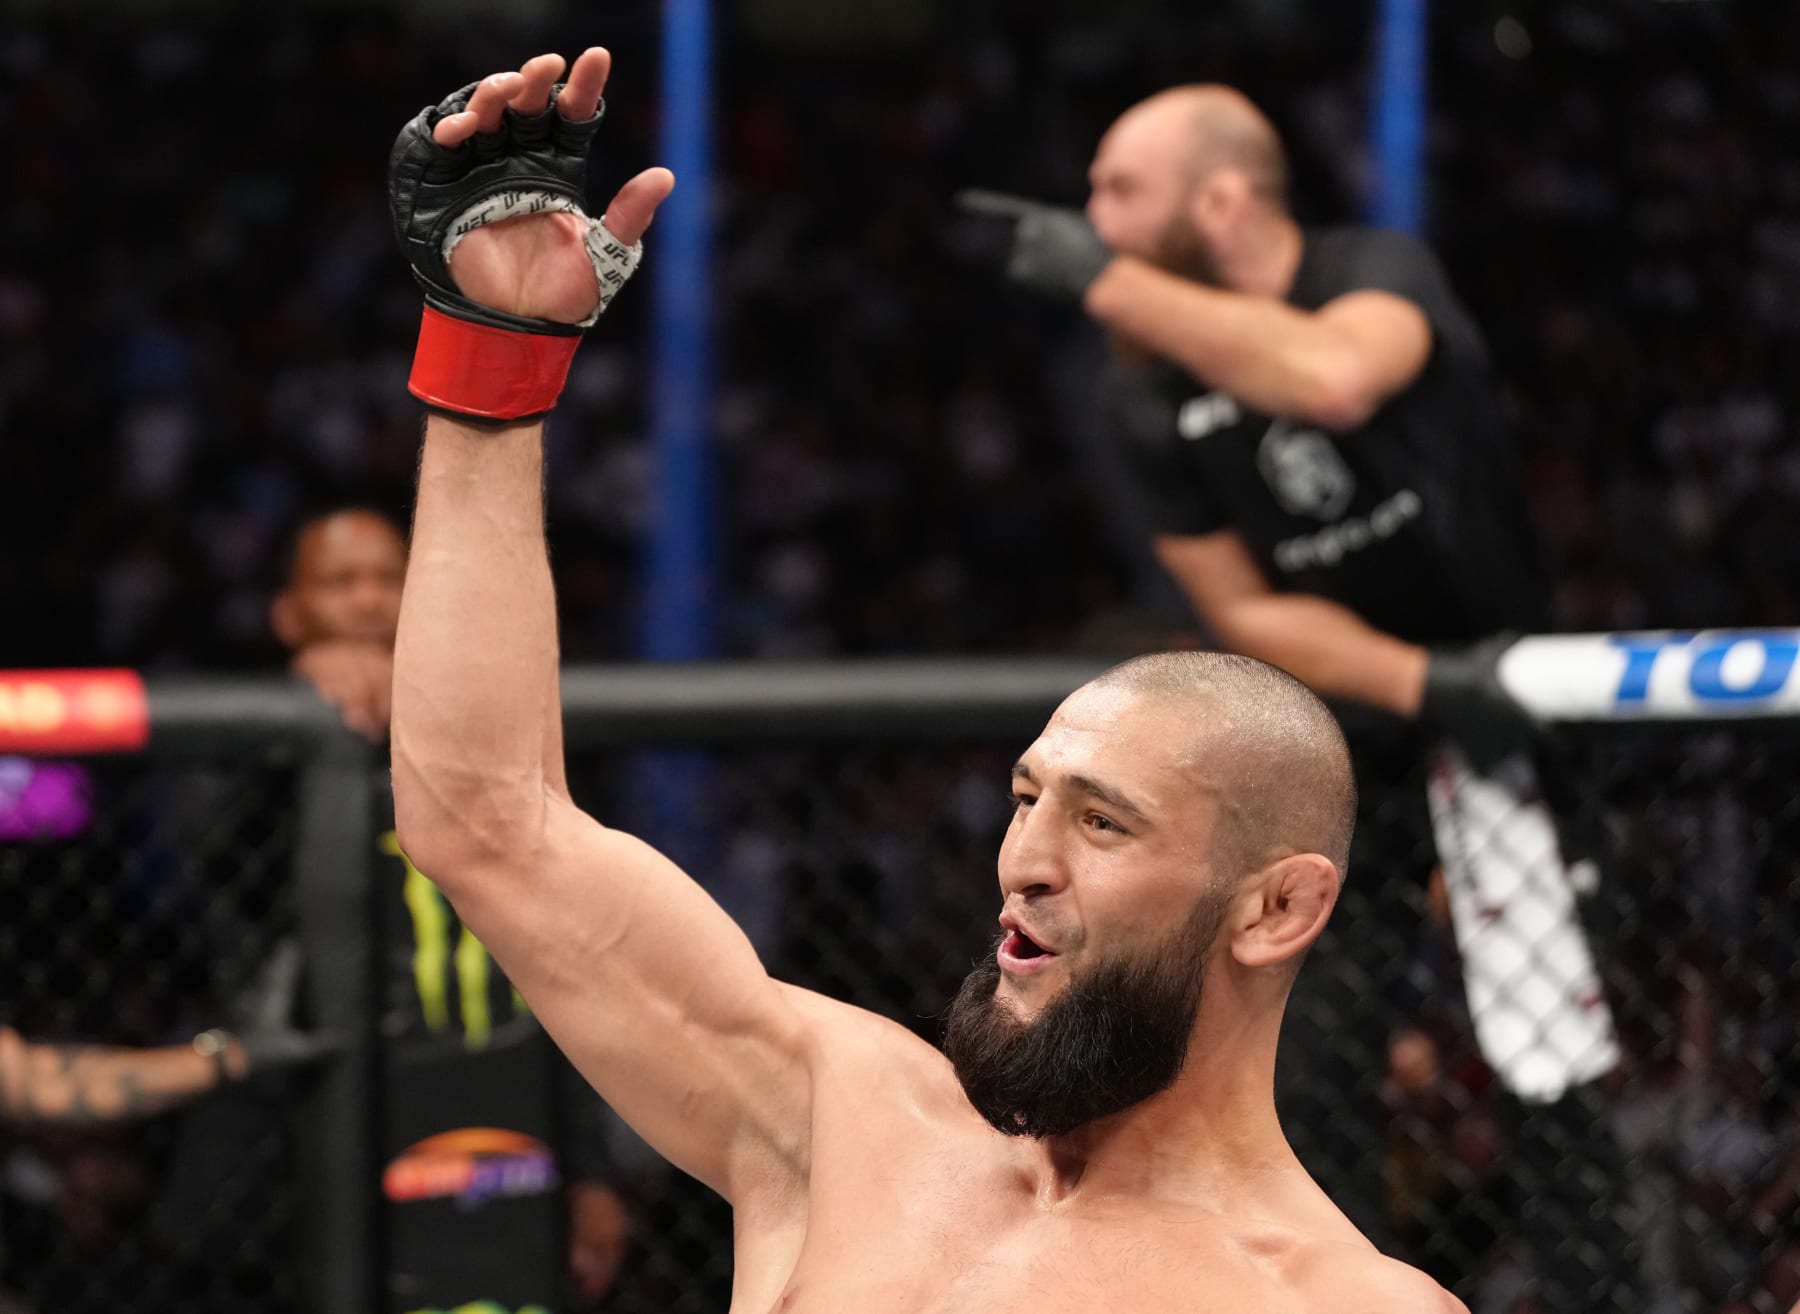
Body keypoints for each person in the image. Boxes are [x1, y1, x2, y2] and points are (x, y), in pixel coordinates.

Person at [385, 47, 1466, 1311]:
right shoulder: (842, 1128)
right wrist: (493, 354)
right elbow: (484, 822)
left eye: (1103, 822)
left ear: (1277, 908)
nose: (1024, 860)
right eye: (1027, 799)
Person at [963, 86, 1634, 1309]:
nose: (1093, 221)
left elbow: (1331, 380)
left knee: (1551, 1066)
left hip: (1513, 729)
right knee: (1313, 1070)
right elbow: (1245, 606)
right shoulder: (1142, 390)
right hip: (1335, 747)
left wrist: (1107, 280)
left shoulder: (1368, 273)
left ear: (1220, 199)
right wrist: (1425, 684)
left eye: (1121, 191)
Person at [269, 505, 634, 1309]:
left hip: (505, 1132)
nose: (369, 601)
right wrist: (298, 709)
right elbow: (218, 879)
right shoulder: (252, 764)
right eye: (341, 581)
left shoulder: (498, 746)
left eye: (388, 579)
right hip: (305, 1142)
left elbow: (563, 965)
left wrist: (591, 1170)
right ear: (290, 615)